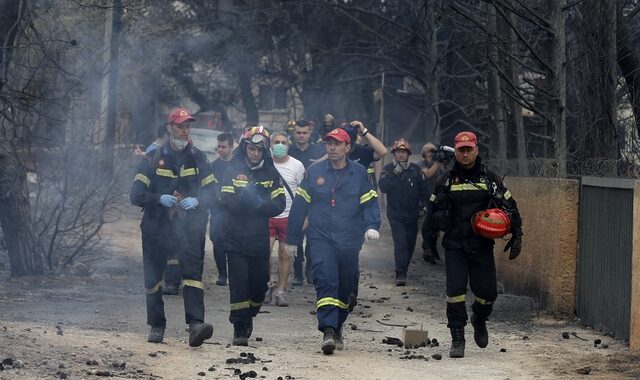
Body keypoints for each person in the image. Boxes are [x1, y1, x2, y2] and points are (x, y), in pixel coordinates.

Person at [427, 131, 523, 358]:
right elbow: (431, 212)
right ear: (456, 151)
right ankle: (457, 338)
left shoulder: (490, 179)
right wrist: (428, 243)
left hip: (481, 246)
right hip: (454, 246)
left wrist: (517, 234)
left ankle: (479, 318)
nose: (465, 153)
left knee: (488, 293)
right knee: (455, 292)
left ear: (476, 150)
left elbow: (511, 206)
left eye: (469, 149)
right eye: (461, 149)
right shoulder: (446, 180)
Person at [285, 128, 381, 355]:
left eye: (337, 144)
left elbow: (369, 202)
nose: (331, 148)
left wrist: (371, 226)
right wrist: (292, 239)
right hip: (321, 238)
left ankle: (337, 326)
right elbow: (299, 208)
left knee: (347, 288)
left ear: (348, 148)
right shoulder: (314, 172)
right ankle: (328, 329)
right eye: (328, 144)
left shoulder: (359, 173)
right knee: (326, 280)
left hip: (349, 240)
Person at [130, 107, 216, 347]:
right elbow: (136, 194)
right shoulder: (152, 158)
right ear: (170, 128)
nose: (185, 131)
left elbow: (213, 191)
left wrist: (198, 200)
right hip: (156, 226)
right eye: (181, 126)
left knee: (192, 276)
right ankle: (157, 325)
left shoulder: (199, 157)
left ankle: (196, 325)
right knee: (153, 277)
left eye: (188, 126)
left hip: (190, 226)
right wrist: (158, 198)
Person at [219, 125, 286, 346]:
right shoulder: (231, 170)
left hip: (258, 237)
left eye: (260, 150)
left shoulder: (270, 173)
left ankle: (251, 311)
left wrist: (260, 204)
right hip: (235, 236)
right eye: (252, 149)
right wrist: (245, 200)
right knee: (239, 284)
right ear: (245, 148)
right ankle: (239, 327)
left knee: (258, 285)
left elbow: (279, 203)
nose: (255, 154)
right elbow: (225, 199)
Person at [378, 139, 428, 286]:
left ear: (408, 154)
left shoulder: (416, 169)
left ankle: (404, 267)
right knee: (400, 244)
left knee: (410, 244)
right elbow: (384, 187)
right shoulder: (387, 169)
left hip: (413, 214)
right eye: (398, 152)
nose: (401, 155)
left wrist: (425, 205)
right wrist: (395, 173)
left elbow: (424, 189)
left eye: (403, 152)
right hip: (395, 214)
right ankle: (400, 273)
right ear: (394, 153)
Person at [264, 131, 305, 306]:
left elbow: (304, 194)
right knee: (262, 254)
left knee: (285, 255)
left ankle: (281, 291)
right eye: (276, 142)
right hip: (267, 216)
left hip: (290, 217)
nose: (280, 145)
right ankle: (266, 285)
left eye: (283, 142)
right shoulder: (264, 164)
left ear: (288, 145)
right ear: (270, 145)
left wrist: (305, 217)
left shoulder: (297, 166)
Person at [288, 120, 325, 286]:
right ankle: (297, 273)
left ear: (310, 133)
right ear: (293, 133)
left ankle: (310, 270)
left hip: (315, 201)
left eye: (304, 132)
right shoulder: (288, 151)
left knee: (313, 238)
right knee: (295, 236)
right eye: (298, 132)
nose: (301, 135)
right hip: (294, 200)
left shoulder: (319, 151)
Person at [209, 133, 235, 286]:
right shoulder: (213, 166)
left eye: (223, 147)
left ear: (231, 147)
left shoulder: (238, 165)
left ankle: (233, 274)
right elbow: (209, 187)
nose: (220, 149)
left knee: (233, 243)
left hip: (235, 211)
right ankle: (222, 274)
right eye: (218, 146)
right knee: (217, 241)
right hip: (217, 210)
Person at [418, 143, 444, 264]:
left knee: (437, 225)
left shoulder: (439, 166)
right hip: (425, 199)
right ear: (424, 153)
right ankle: (427, 247)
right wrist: (437, 163)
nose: (433, 153)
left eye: (434, 151)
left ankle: (431, 247)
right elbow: (428, 174)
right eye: (430, 151)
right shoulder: (421, 165)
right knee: (426, 224)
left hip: (439, 199)